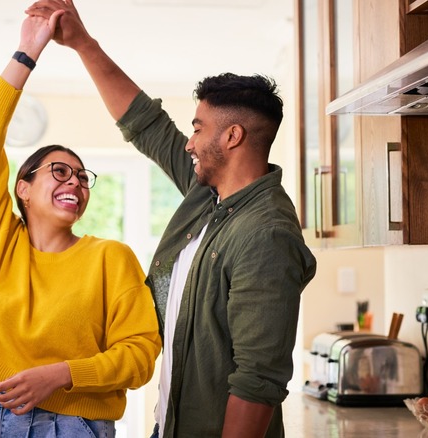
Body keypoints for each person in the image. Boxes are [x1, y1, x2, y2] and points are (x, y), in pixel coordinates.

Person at [26, 1, 318, 437]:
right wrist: (83, 45)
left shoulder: (265, 234)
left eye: (198, 128)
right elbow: (148, 126)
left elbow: (258, 382)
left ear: (232, 136)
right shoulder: (210, 197)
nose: (189, 143)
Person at [0, 9, 162, 438]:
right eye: (59, 171)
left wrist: (62, 374)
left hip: (74, 426)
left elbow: (141, 354)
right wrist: (27, 51)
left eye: (82, 176)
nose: (75, 180)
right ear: (24, 189)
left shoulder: (111, 258)